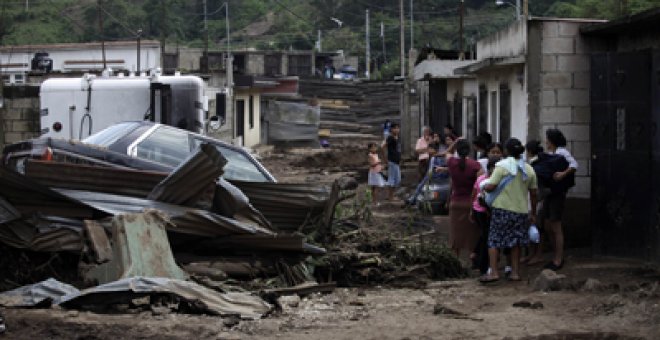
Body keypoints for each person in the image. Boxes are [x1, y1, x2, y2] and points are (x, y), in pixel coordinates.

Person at [479, 138, 538, 283]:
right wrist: (533, 212)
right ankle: (515, 273)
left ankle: (493, 272)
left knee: (494, 240)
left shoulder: (502, 166)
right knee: (515, 242)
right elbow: (534, 193)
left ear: (506, 151)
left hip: (502, 209)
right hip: (521, 211)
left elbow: (492, 186)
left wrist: (484, 186)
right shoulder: (529, 169)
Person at [543, 128, 578, 271]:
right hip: (551, 193)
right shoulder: (554, 153)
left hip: (557, 193)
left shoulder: (562, 152)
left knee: (555, 225)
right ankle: (555, 256)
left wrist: (563, 174)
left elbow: (574, 165)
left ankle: (558, 258)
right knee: (548, 225)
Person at [445, 139, 484, 257]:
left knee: (455, 234)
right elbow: (479, 186)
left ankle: (455, 260)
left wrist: (455, 142)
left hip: (455, 203)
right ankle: (473, 258)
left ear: (457, 150)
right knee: (472, 234)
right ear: (469, 151)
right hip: (470, 204)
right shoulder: (476, 165)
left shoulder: (451, 162)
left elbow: (447, 152)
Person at [470, 156, 500, 275]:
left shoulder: (481, 179)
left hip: (479, 210)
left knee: (485, 236)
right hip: (483, 211)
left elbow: (473, 195)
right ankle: (483, 264)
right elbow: (476, 196)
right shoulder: (488, 181)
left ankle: (476, 256)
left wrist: (471, 210)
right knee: (487, 238)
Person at [522, 140, 548, 265]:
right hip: (535, 199)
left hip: (536, 199)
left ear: (530, 152)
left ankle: (538, 254)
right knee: (532, 227)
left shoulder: (534, 165)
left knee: (537, 228)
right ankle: (532, 254)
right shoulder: (536, 163)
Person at [384, 123, 402, 200]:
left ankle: (391, 196)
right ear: (391, 129)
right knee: (392, 179)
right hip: (392, 161)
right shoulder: (390, 137)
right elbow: (383, 146)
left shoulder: (396, 137)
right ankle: (390, 196)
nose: (397, 130)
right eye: (395, 128)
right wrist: (385, 159)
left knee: (397, 179)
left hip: (396, 161)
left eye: (398, 128)